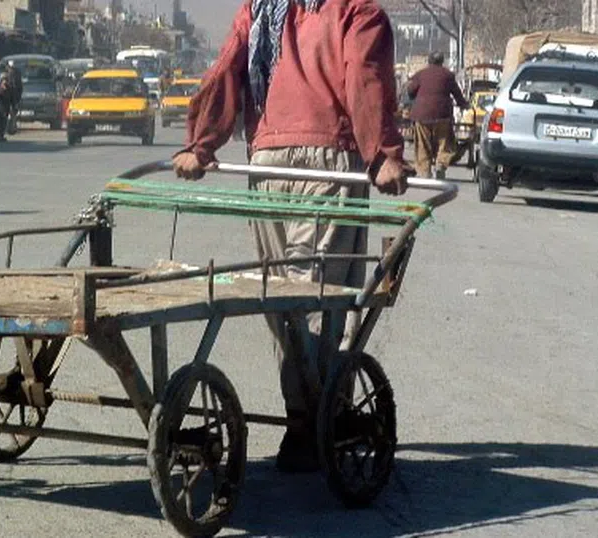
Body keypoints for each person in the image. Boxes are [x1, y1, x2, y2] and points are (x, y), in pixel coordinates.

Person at [173, 0, 411, 474]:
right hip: (327, 163)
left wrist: (201, 144)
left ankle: (305, 415)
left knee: (282, 298)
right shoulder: (357, 13)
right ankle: (314, 422)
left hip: (265, 165)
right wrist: (383, 153)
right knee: (316, 295)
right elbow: (365, 79)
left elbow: (226, 68)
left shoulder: (262, 9)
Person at [407, 51, 469, 179]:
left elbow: (410, 92)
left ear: (428, 61)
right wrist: (463, 105)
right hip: (442, 115)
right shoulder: (448, 75)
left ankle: (424, 172)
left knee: (422, 144)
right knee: (444, 142)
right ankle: (441, 165)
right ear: (442, 62)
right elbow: (457, 94)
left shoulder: (420, 74)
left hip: (422, 115)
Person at [5, 60, 24, 135]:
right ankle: (12, 127)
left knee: (10, 112)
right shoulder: (17, 74)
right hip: (13, 97)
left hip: (10, 97)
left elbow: (20, 87)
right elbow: (20, 87)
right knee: (12, 113)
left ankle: (11, 127)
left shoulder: (6, 74)